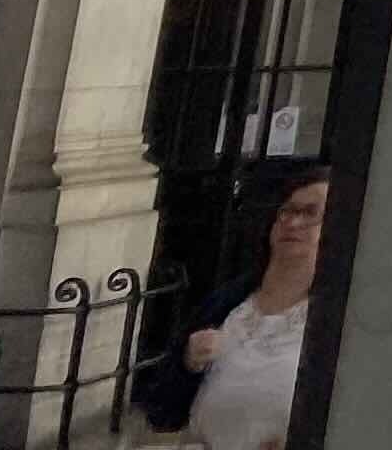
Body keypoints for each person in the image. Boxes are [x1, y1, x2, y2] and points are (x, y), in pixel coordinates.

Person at [134, 164, 328, 448]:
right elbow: (162, 411)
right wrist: (188, 362)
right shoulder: (228, 302)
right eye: (287, 211)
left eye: (310, 214)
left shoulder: (335, 322)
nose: (293, 223)